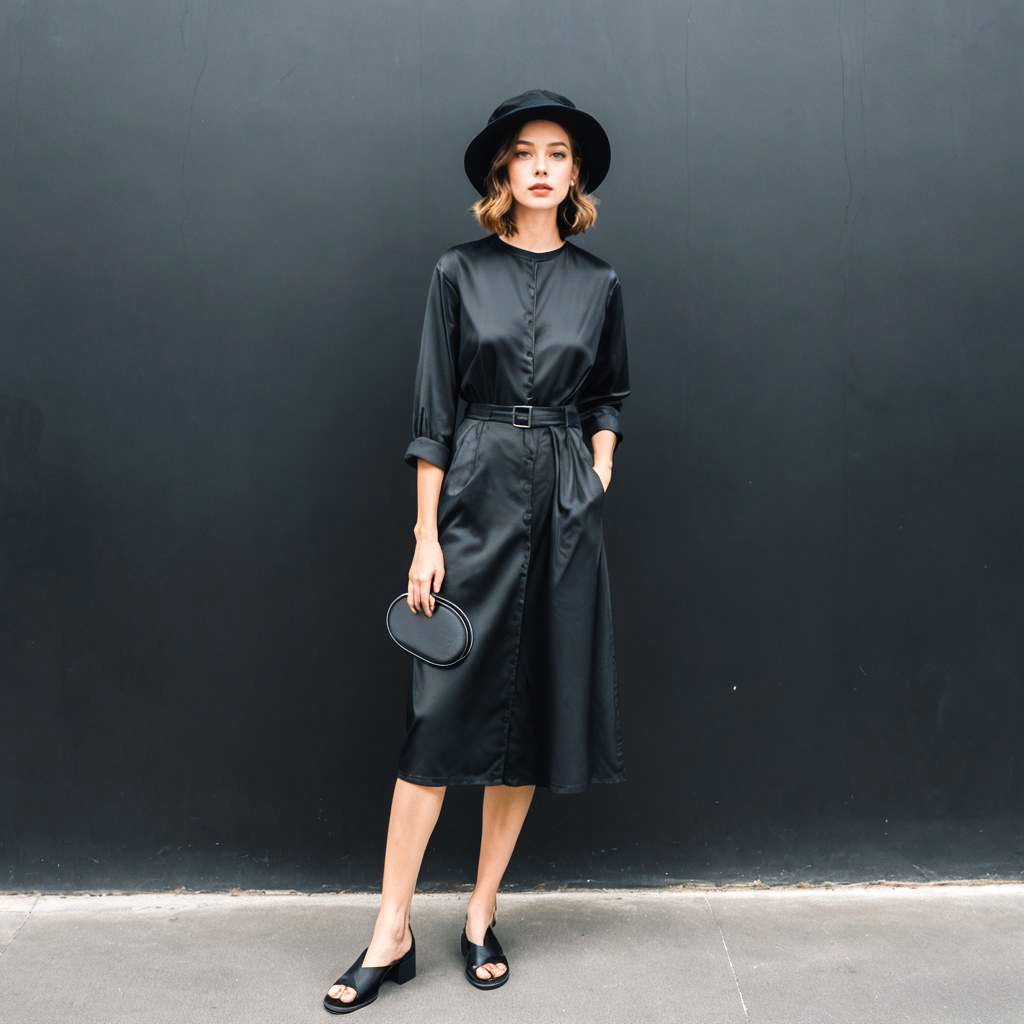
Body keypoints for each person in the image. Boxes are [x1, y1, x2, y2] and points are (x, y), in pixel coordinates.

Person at [323, 89, 631, 1015]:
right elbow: (433, 416)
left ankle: (481, 915)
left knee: (530, 718)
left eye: (559, 153)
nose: (542, 165)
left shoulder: (600, 282)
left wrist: (598, 469)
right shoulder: (457, 272)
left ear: (574, 176)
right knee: (436, 721)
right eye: (525, 152)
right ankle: (392, 929)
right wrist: (426, 536)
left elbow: (611, 394)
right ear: (503, 172)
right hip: (476, 495)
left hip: (565, 509)